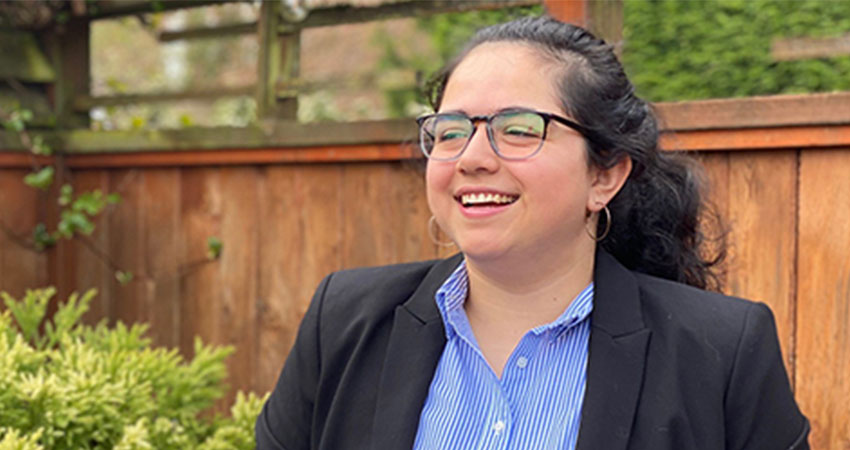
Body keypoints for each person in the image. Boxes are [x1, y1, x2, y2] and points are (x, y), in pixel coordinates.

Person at [256, 15, 809, 450]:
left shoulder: (723, 353)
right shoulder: (344, 322)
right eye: (451, 132)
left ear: (605, 174)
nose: (472, 157)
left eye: (518, 129)